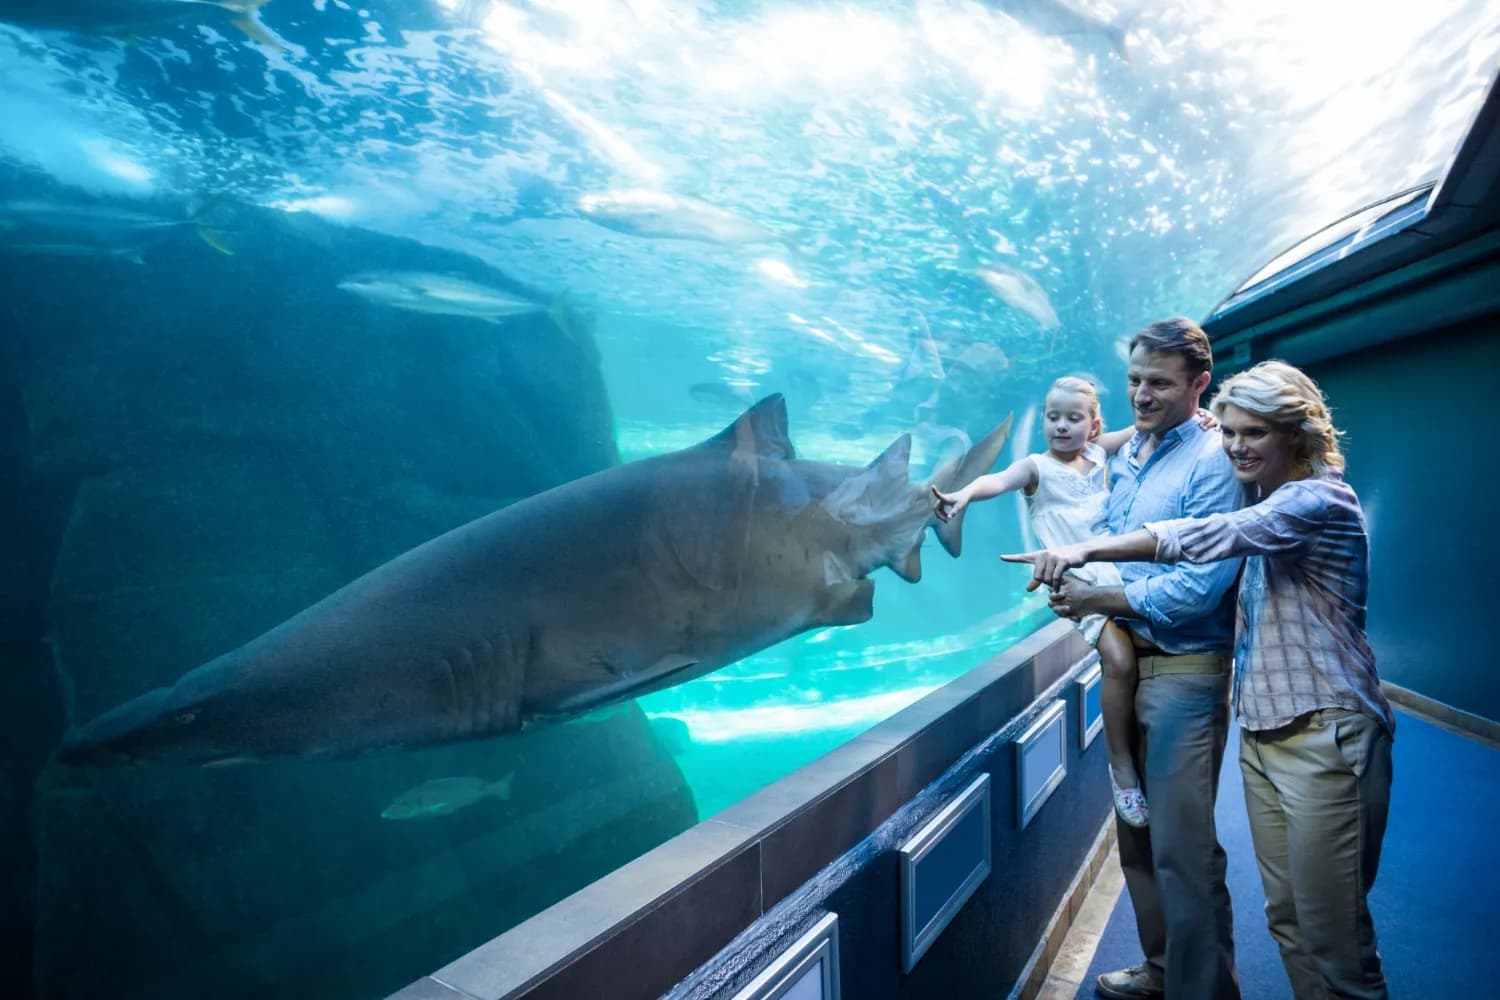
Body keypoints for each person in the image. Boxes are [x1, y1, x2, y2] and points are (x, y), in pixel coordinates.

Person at [1005, 360, 1394, 1000]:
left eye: (1255, 433)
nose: (1236, 446)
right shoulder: (1266, 494)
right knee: (1290, 924)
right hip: (1267, 733)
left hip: (1329, 733)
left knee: (1337, 945)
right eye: (1232, 430)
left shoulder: (1318, 498)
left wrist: (1086, 553)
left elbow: (1209, 535)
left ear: (1296, 434)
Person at [1040, 318, 1246, 1000]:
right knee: (1137, 840)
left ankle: (1204, 991)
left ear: (1199, 385)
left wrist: (1100, 591)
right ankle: (1163, 970)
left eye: (1158, 382)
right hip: (1126, 660)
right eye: (1134, 380)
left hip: (1185, 672)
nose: (1142, 394)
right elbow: (1099, 533)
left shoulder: (1216, 461)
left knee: (1185, 851)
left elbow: (1201, 587)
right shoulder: (1126, 456)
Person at [933, 374, 1168, 827]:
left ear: (1093, 425)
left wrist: (1202, 418)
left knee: (1143, 653)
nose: (1060, 426)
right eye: (1052, 416)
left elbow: (1145, 428)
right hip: (1076, 581)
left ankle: (1141, 750)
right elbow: (997, 479)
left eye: (1073, 418)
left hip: (1117, 569)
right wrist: (964, 494)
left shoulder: (1100, 454)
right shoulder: (1036, 468)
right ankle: (1121, 770)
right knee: (1118, 661)